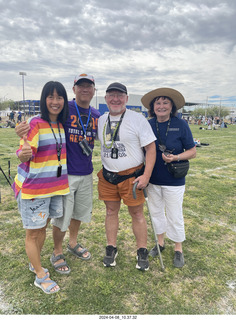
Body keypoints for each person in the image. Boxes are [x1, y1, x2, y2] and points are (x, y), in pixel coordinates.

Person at [15, 74, 100, 274]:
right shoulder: (63, 109)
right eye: (81, 86)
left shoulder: (96, 115)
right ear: (74, 89)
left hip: (85, 172)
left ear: (94, 90)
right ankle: (57, 251)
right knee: (61, 216)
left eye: (89, 86)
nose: (85, 89)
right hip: (63, 176)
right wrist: (21, 139)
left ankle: (73, 242)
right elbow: (29, 136)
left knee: (77, 214)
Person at [13, 81, 70, 294]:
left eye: (59, 97)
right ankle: (40, 275)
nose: (55, 102)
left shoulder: (60, 125)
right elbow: (23, 151)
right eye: (51, 97)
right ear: (43, 100)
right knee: (33, 233)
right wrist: (23, 153)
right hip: (35, 189)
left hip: (55, 188)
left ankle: (34, 261)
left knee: (42, 228)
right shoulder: (35, 123)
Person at [97, 82, 156, 271]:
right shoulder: (101, 119)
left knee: (137, 214)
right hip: (108, 176)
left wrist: (146, 175)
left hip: (132, 177)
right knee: (110, 212)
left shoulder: (137, 119)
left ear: (126, 99)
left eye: (120, 95)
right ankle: (111, 248)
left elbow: (151, 148)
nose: (116, 99)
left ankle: (142, 250)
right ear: (105, 98)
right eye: (111, 95)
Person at [141, 87, 196, 268]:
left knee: (174, 215)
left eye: (165, 102)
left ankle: (178, 248)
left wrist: (176, 157)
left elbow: (192, 151)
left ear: (172, 106)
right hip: (153, 179)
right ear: (153, 107)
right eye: (158, 102)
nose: (161, 106)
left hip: (174, 180)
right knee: (156, 213)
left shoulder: (181, 124)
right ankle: (160, 243)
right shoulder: (147, 124)